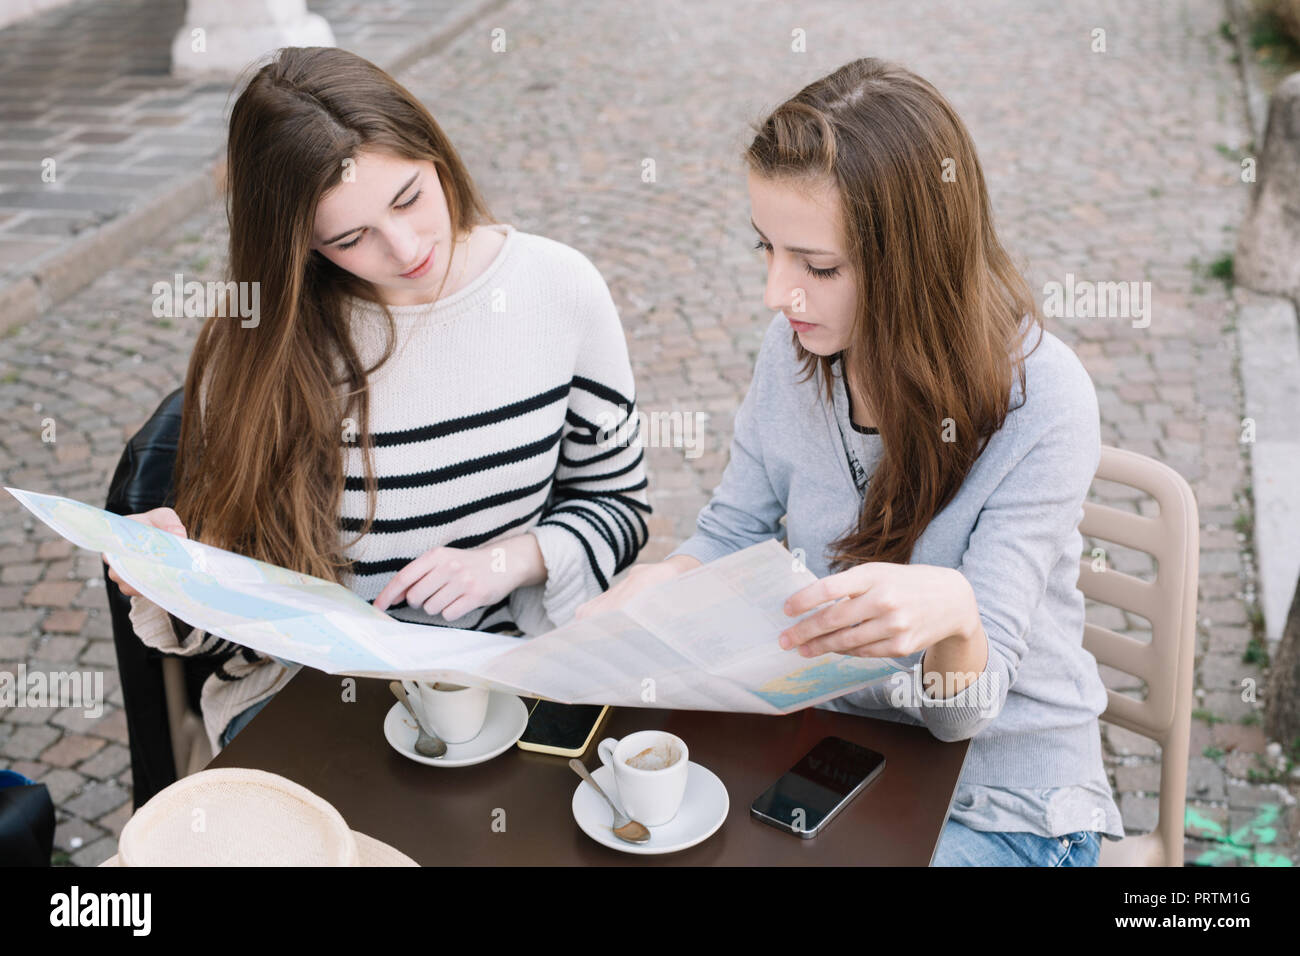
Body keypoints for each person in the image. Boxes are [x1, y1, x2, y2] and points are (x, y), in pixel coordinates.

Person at [577, 57, 1123, 866]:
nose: (777, 293)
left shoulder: (1043, 398)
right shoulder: (795, 348)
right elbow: (734, 525)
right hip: (834, 750)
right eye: (767, 248)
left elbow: (966, 713)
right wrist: (672, 576)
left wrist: (956, 614)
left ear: (916, 262)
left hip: (1004, 792)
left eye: (818, 267)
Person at [104, 47, 650, 757]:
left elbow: (619, 503)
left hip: (510, 677)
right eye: (350, 237)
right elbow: (235, 622)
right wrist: (173, 580)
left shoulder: (560, 289)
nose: (405, 247)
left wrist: (512, 560)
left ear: (435, 151)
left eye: (409, 197)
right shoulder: (260, 342)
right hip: (316, 691)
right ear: (298, 246)